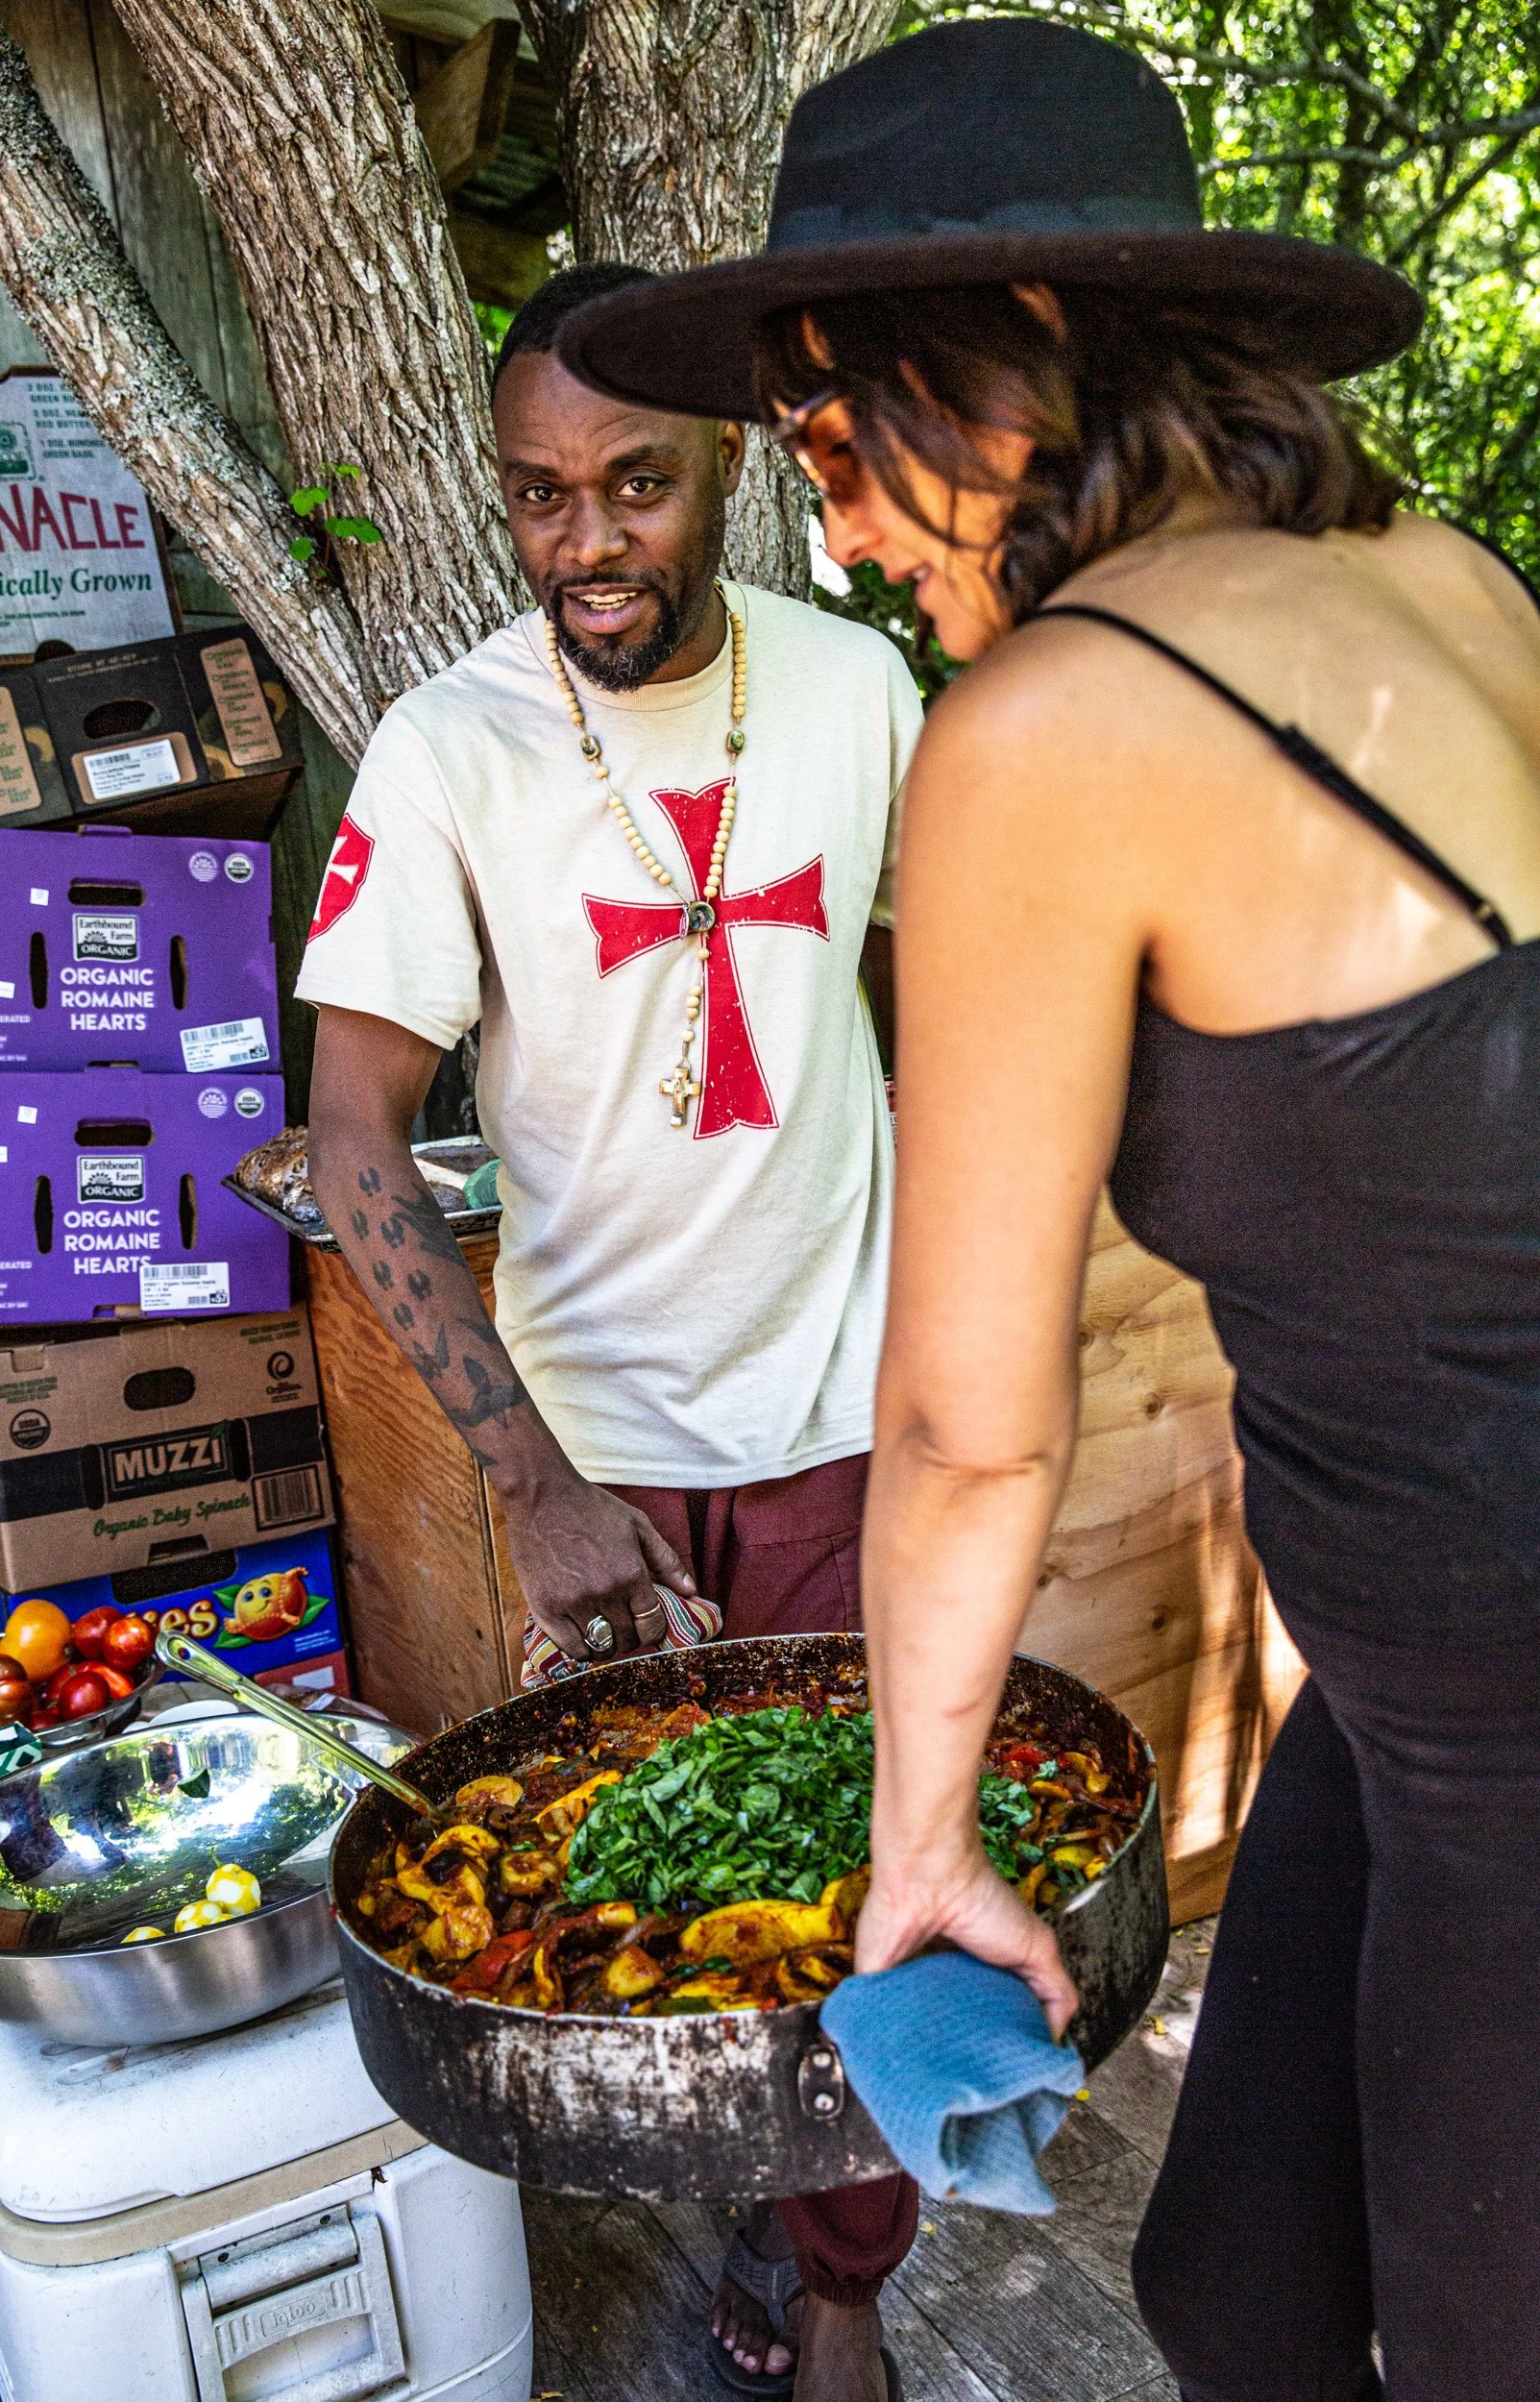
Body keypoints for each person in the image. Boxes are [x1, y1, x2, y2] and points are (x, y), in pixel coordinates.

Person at [558, 22, 1540, 2401]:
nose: (839, 535)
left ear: (1002, 371)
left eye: (828, 443)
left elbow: (968, 1426)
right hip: (1403, 1689)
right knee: (1235, 2281)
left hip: (1512, 1711)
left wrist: (918, 1852)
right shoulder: (1444, 573)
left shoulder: (1054, 727)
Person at [297, 264, 922, 2398]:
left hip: (846, 1411)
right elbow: (354, 1131)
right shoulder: (453, 743)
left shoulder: (861, 689)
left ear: (725, 464)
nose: (585, 544)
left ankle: (839, 2286)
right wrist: (538, 1487)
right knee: (651, 1890)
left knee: (864, 1873)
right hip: (598, 1458)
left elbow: (949, 980)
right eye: (539, 496)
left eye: (635, 486)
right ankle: (716, 2214)